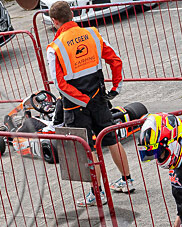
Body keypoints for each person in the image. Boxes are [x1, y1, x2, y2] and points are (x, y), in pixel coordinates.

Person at [45, 1, 134, 207]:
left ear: (54, 21)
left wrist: (83, 101)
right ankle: (127, 180)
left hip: (76, 106)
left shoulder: (54, 47)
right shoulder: (93, 34)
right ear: (72, 14)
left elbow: (60, 84)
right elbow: (116, 60)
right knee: (111, 139)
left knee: (88, 147)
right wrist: (116, 88)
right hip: (99, 98)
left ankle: (97, 193)